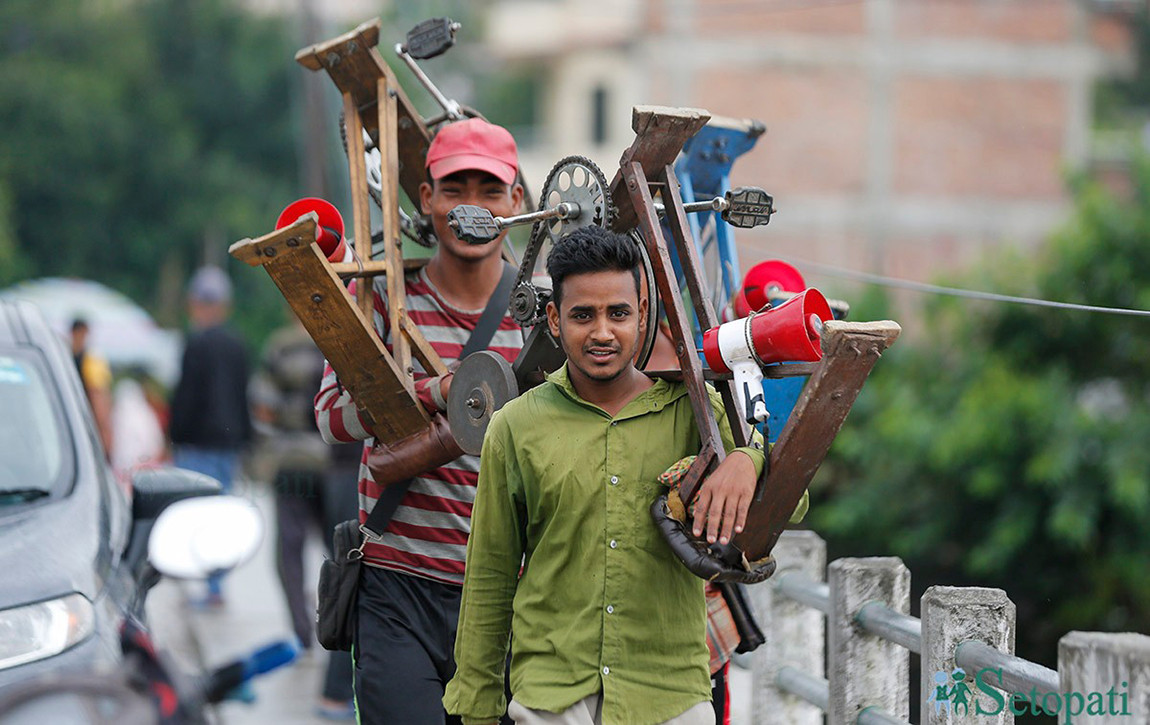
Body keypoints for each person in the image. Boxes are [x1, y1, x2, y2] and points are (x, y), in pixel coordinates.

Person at [444, 226, 807, 725]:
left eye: (618, 313)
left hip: (669, 698)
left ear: (642, 310)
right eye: (582, 315)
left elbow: (795, 502)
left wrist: (751, 459)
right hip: (551, 699)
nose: (602, 332)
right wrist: (477, 708)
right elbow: (490, 575)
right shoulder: (515, 426)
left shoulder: (695, 414)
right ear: (553, 319)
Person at [314, 117, 525, 723]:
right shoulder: (381, 300)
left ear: (515, 202)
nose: (472, 207)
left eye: (489, 191)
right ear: (426, 199)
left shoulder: (539, 315)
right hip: (392, 588)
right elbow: (330, 419)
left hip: (503, 599)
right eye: (454, 189)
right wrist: (434, 391)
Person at [250, 313, 356, 719]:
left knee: (289, 550)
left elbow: (262, 403)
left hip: (290, 463)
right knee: (336, 554)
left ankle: (301, 630)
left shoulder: (279, 344)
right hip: (330, 462)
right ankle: (328, 625)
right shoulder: (333, 341)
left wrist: (270, 444)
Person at [169, 264, 253, 606]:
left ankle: (206, 583)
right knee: (220, 514)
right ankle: (216, 586)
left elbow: (186, 398)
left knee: (198, 515)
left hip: (197, 443)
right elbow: (243, 397)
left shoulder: (196, 344)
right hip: (228, 444)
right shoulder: (238, 345)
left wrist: (174, 434)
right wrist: (246, 439)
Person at [70, 317, 115, 460]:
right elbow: (99, 400)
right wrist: (105, 434)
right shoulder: (91, 362)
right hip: (86, 425)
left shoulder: (63, 359)